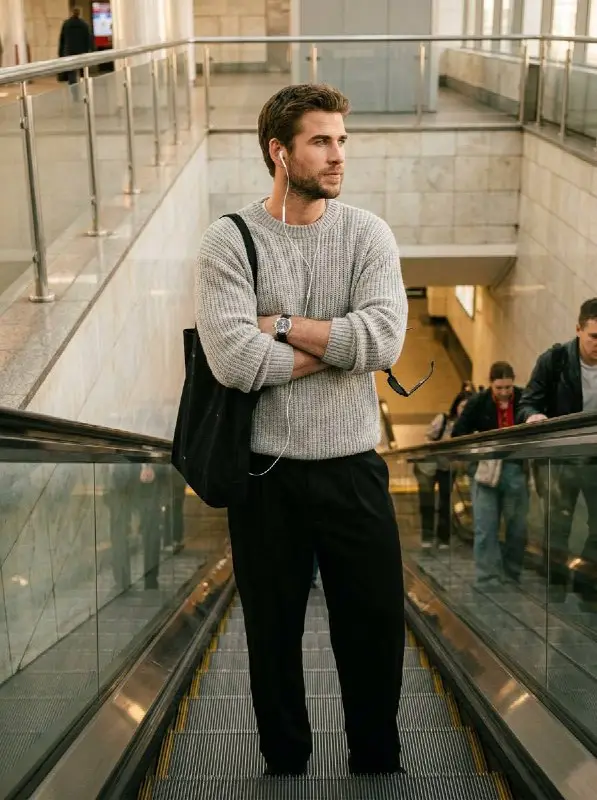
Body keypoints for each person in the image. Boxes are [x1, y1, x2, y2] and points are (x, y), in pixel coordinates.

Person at [195, 84, 408, 776]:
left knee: (373, 626)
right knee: (272, 632)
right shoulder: (229, 242)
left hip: (353, 467)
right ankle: (284, 763)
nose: (337, 155)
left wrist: (281, 326)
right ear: (278, 153)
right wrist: (338, 347)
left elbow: (383, 340)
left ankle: (376, 759)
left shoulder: (367, 235)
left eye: (341, 139)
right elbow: (232, 360)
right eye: (321, 141)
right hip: (266, 474)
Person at [518, 298, 597, 603]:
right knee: (558, 525)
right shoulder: (555, 360)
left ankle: (587, 585)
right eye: (594, 337)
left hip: (594, 459)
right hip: (562, 459)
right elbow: (527, 402)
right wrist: (534, 417)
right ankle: (556, 590)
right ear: (578, 329)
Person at [453, 362, 528, 588]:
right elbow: (459, 433)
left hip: (514, 468)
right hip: (485, 470)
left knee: (517, 527)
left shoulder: (524, 399)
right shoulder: (478, 402)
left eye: (508, 387)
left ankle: (512, 573)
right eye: (499, 388)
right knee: (485, 526)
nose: (504, 393)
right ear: (490, 385)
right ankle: (487, 577)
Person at [414, 389, 473, 550]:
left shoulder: (469, 426)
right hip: (429, 467)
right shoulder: (444, 419)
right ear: (456, 406)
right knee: (427, 502)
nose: (465, 410)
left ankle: (443, 538)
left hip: (448, 468)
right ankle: (427, 536)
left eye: (469, 406)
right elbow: (427, 437)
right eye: (463, 406)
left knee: (445, 502)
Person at [58, 7, 93, 100]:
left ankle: (75, 96)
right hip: (82, 53)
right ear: (80, 13)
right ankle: (86, 93)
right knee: (84, 73)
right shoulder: (84, 25)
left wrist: (60, 53)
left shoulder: (66, 24)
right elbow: (89, 40)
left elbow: (62, 40)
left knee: (72, 76)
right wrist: (91, 51)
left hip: (69, 52)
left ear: (71, 13)